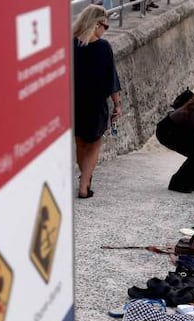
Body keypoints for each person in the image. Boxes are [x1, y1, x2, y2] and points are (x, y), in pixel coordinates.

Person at [73, 5, 121, 199]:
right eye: (105, 26)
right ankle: (84, 185)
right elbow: (111, 79)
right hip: (95, 103)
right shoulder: (103, 47)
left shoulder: (70, 44)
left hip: (74, 102)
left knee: (80, 143)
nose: (105, 30)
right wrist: (117, 105)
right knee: (94, 144)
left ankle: (84, 178)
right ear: (96, 24)